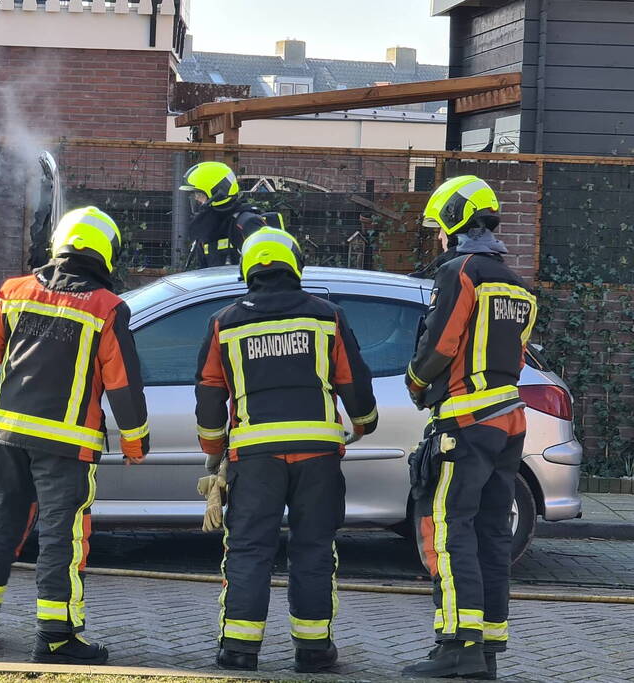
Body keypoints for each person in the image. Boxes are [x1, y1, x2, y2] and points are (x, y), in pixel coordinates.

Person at [0, 206, 149, 666]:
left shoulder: (15, 293)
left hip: (6, 439)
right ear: (105, 253)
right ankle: (56, 638)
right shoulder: (106, 308)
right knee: (62, 538)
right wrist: (135, 439)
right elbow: (123, 382)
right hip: (66, 449)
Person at [194, 227, 378, 673]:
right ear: (294, 265)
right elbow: (353, 379)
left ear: (248, 269)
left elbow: (209, 396)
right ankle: (313, 651)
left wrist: (214, 452)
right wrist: (365, 423)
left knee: (249, 550)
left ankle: (239, 649)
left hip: (253, 460)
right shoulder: (327, 316)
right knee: (313, 548)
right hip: (317, 456)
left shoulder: (225, 322)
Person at [401, 176, 538, 680]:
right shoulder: (519, 286)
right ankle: (486, 650)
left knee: (448, 530)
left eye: (439, 227)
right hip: (509, 422)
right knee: (489, 535)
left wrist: (416, 385)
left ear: (456, 221)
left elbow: (439, 346)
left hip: (464, 422)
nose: (438, 237)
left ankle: (456, 646)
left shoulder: (460, 273)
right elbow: (516, 356)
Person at [178, 161, 276, 268]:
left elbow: (265, 268)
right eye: (194, 194)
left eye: (199, 194)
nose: (196, 199)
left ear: (217, 194)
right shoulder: (207, 227)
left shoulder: (246, 223)